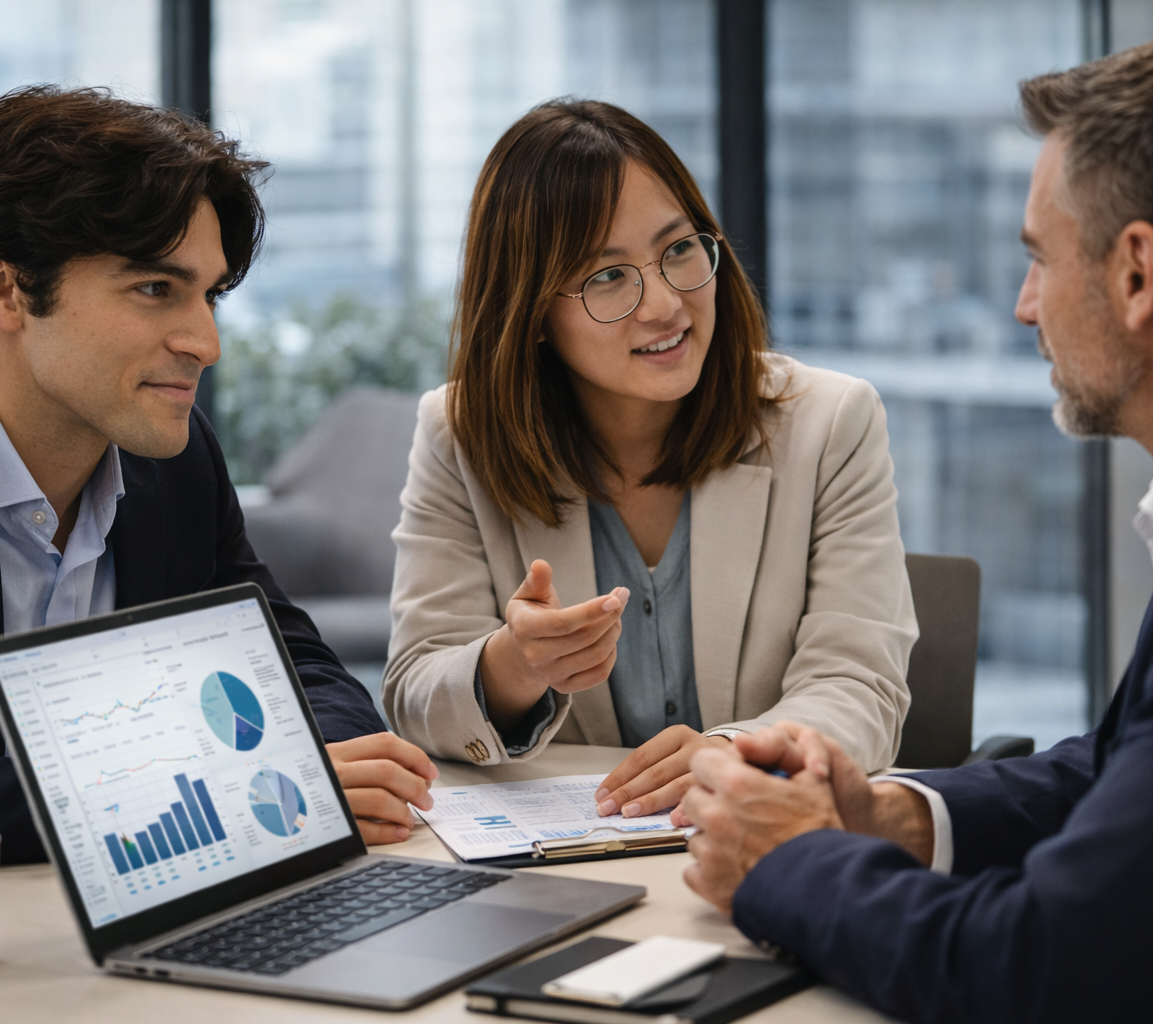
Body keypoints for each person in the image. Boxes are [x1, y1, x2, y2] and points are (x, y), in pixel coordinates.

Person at [675, 35, 1153, 1023]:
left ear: (1138, 273)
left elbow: (1042, 972)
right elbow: (1139, 771)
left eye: (1039, 257)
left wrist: (789, 858)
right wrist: (894, 816)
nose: (1026, 307)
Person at [0, 86, 438, 874]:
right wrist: (216, 792)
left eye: (209, 295)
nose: (205, 342)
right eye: (155, 289)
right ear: (1, 287)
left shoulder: (172, 464)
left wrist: (323, 768)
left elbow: (305, 674)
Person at [383, 99, 917, 821]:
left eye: (679, 249)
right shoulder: (460, 435)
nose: (665, 304)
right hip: (569, 852)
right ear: (531, 312)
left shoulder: (830, 423)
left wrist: (732, 753)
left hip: (764, 837)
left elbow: (859, 686)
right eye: (607, 276)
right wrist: (514, 664)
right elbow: (414, 689)